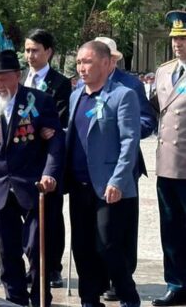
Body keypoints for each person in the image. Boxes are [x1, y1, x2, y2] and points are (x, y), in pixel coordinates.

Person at [0, 50, 64, 307]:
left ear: (17, 75)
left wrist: (49, 173)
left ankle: (40, 299)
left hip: (34, 186)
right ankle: (14, 300)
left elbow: (55, 141)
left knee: (36, 248)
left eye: (4, 78)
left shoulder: (39, 100)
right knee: (7, 251)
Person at [66, 41, 141, 307]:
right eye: (79, 62)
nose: (81, 68)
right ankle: (89, 300)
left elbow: (129, 142)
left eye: (88, 62)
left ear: (107, 64)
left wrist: (118, 180)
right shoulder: (76, 95)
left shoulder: (122, 95)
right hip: (79, 184)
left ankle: (128, 297)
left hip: (109, 187)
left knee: (108, 246)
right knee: (82, 246)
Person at [22, 28, 72, 288]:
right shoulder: (20, 78)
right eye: (27, 50)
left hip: (47, 159)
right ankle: (32, 265)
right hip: (21, 158)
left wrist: (40, 128)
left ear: (48, 52)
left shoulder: (59, 83)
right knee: (26, 215)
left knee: (51, 216)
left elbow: (58, 122)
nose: (30, 55)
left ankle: (52, 267)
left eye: (35, 50)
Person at [151, 10, 186, 306]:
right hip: (167, 164)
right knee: (171, 228)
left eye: (183, 38)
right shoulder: (164, 72)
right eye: (175, 38)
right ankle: (176, 284)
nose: (177, 43)